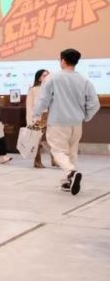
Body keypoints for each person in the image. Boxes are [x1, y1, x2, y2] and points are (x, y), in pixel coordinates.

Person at [33, 48, 100, 195]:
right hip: (76, 123)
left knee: (58, 151)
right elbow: (95, 103)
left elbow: (43, 99)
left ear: (63, 61)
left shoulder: (52, 78)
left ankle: (71, 172)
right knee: (72, 152)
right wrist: (86, 116)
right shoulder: (84, 80)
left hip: (58, 121)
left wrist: (36, 115)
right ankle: (67, 181)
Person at [26, 69, 53, 169]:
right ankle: (37, 162)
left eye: (48, 75)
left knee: (52, 139)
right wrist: (31, 120)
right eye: (44, 75)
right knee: (36, 140)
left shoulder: (51, 89)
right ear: (39, 78)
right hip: (38, 117)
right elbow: (29, 106)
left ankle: (55, 160)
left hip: (48, 116)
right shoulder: (33, 90)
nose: (46, 77)